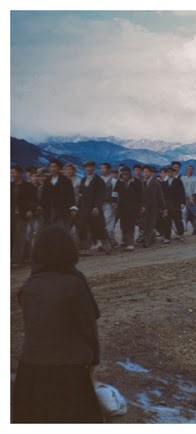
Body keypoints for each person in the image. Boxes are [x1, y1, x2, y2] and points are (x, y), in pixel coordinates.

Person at [13, 225, 102, 423]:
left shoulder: (29, 285)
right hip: (69, 372)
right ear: (69, 250)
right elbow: (88, 329)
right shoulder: (75, 284)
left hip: (31, 371)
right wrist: (94, 359)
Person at [76, 161, 111, 253]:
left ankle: (106, 244)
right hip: (84, 208)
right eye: (86, 167)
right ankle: (85, 247)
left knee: (98, 226)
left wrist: (97, 206)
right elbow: (81, 194)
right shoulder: (83, 180)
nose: (88, 168)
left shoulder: (99, 180)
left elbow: (100, 195)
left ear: (94, 168)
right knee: (84, 227)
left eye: (90, 167)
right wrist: (79, 206)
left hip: (94, 209)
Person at [112, 166, 143, 251]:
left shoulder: (136, 181)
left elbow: (140, 194)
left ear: (129, 174)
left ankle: (130, 243)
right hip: (122, 207)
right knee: (123, 225)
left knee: (130, 225)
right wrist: (114, 202)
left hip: (133, 207)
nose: (125, 176)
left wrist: (141, 205)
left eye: (126, 174)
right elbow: (115, 192)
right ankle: (125, 241)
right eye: (123, 174)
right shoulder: (119, 182)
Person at [11, 165, 36, 268]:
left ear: (20, 173)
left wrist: (30, 210)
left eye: (13, 172)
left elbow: (34, 200)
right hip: (10, 214)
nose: (12, 174)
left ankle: (17, 261)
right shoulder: (10, 185)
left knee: (19, 237)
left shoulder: (28, 186)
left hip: (22, 214)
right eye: (11, 173)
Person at [41, 159, 77, 230]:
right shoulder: (47, 180)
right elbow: (43, 195)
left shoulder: (66, 180)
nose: (53, 169)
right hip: (48, 210)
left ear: (59, 168)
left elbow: (71, 195)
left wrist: (72, 207)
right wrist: (41, 206)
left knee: (60, 231)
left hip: (61, 211)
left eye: (55, 167)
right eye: (51, 167)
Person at [141, 165, 166, 247]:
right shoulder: (140, 182)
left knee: (150, 223)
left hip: (152, 207)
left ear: (151, 173)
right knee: (144, 223)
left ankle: (147, 241)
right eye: (144, 171)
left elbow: (160, 196)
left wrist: (163, 208)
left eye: (147, 171)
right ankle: (150, 238)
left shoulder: (155, 183)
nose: (145, 173)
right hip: (142, 207)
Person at [161, 166, 186, 243]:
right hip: (167, 205)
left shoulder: (178, 181)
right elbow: (162, 195)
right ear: (166, 173)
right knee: (167, 222)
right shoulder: (164, 183)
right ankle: (167, 237)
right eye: (168, 172)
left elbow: (182, 193)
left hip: (176, 204)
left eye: (171, 172)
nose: (170, 173)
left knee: (178, 221)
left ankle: (181, 235)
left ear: (174, 172)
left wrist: (182, 203)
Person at [99, 163, 118, 246]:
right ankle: (110, 240)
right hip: (100, 204)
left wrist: (114, 203)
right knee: (103, 223)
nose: (102, 170)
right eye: (101, 168)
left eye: (104, 168)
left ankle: (106, 242)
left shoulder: (113, 181)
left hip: (109, 204)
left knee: (107, 222)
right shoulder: (99, 179)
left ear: (108, 170)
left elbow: (116, 192)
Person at [182, 164, 196, 235]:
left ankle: (195, 228)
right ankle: (183, 228)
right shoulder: (183, 178)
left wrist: (193, 197)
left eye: (191, 169)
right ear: (186, 170)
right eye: (188, 169)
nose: (190, 171)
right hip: (185, 199)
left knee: (195, 213)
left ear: (193, 170)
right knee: (184, 213)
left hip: (194, 199)